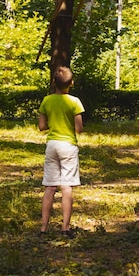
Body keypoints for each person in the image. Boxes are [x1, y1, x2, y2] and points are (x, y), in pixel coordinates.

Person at [38, 66, 84, 237]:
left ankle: (43, 228)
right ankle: (65, 228)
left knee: (50, 187)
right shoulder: (75, 102)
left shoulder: (46, 100)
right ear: (71, 83)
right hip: (68, 146)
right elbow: (79, 129)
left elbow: (42, 126)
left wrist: (54, 124)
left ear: (53, 82)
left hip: (52, 145)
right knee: (66, 187)